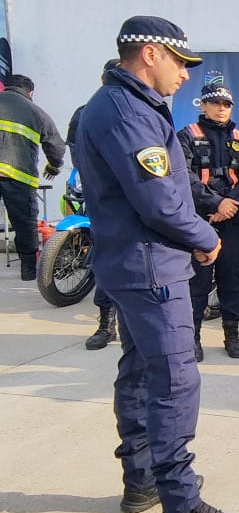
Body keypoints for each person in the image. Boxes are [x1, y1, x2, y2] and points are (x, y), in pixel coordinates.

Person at [77, 15, 239, 513]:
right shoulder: (127, 110)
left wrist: (201, 215)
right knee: (174, 378)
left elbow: (162, 187)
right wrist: (204, 236)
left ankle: (142, 478)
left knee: (141, 369)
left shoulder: (122, 106)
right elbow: (159, 202)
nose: (184, 75)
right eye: (179, 62)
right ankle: (180, 503)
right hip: (151, 265)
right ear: (150, 54)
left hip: (135, 263)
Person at [177, 83, 239, 361]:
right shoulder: (186, 136)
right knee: (197, 283)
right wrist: (215, 203)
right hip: (199, 219)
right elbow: (181, 177)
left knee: (233, 280)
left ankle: (231, 334)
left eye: (227, 104)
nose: (222, 109)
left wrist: (231, 203)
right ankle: (193, 338)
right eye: (216, 103)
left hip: (234, 219)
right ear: (203, 105)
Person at [68, 59, 121, 350]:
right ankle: (105, 325)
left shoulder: (145, 111)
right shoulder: (88, 113)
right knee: (106, 264)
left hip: (138, 205)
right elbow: (79, 155)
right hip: (103, 204)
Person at [0, 74, 65, 281]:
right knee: (24, 223)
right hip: (18, 175)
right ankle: (28, 271)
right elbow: (56, 145)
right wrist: (54, 167)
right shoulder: (35, 111)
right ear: (30, 93)